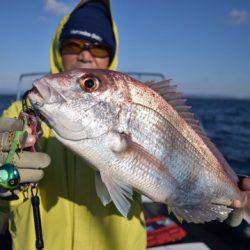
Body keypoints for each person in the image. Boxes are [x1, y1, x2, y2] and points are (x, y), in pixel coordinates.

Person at [0, 1, 146, 249]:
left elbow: (177, 181)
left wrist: (223, 198)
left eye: (99, 49)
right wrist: (4, 181)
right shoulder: (18, 115)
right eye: (73, 44)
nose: (85, 54)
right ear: (59, 51)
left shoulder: (138, 112)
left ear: (112, 56)